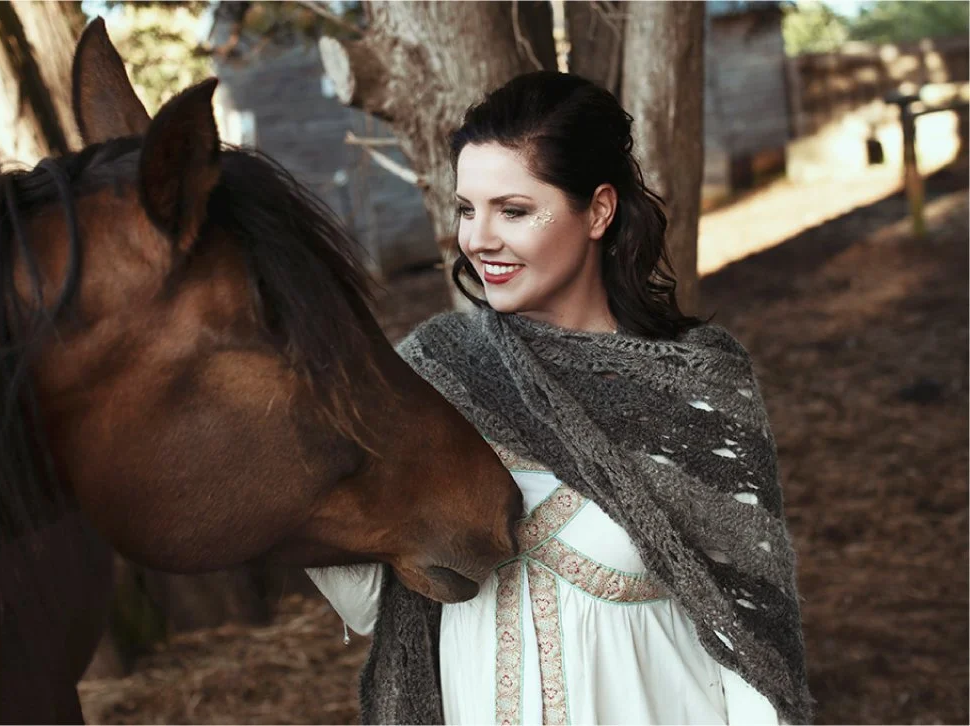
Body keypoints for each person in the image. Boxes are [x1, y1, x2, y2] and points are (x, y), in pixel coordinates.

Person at [307, 71, 812, 725]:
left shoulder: (696, 392)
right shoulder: (433, 375)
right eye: (467, 209)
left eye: (513, 210)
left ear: (598, 211)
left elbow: (747, 655)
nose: (478, 238)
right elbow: (376, 604)